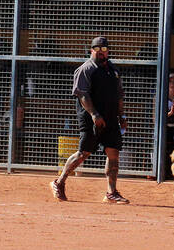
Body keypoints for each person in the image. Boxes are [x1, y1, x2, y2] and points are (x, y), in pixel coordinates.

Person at [50, 35, 129, 204]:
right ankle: (59, 182)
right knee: (83, 153)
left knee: (113, 152)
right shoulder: (86, 69)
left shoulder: (113, 70)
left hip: (110, 117)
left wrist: (121, 115)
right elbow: (82, 95)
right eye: (97, 49)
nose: (101, 52)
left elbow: (119, 95)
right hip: (91, 118)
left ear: (108, 51)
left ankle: (111, 192)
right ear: (92, 50)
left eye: (104, 49)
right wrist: (94, 115)